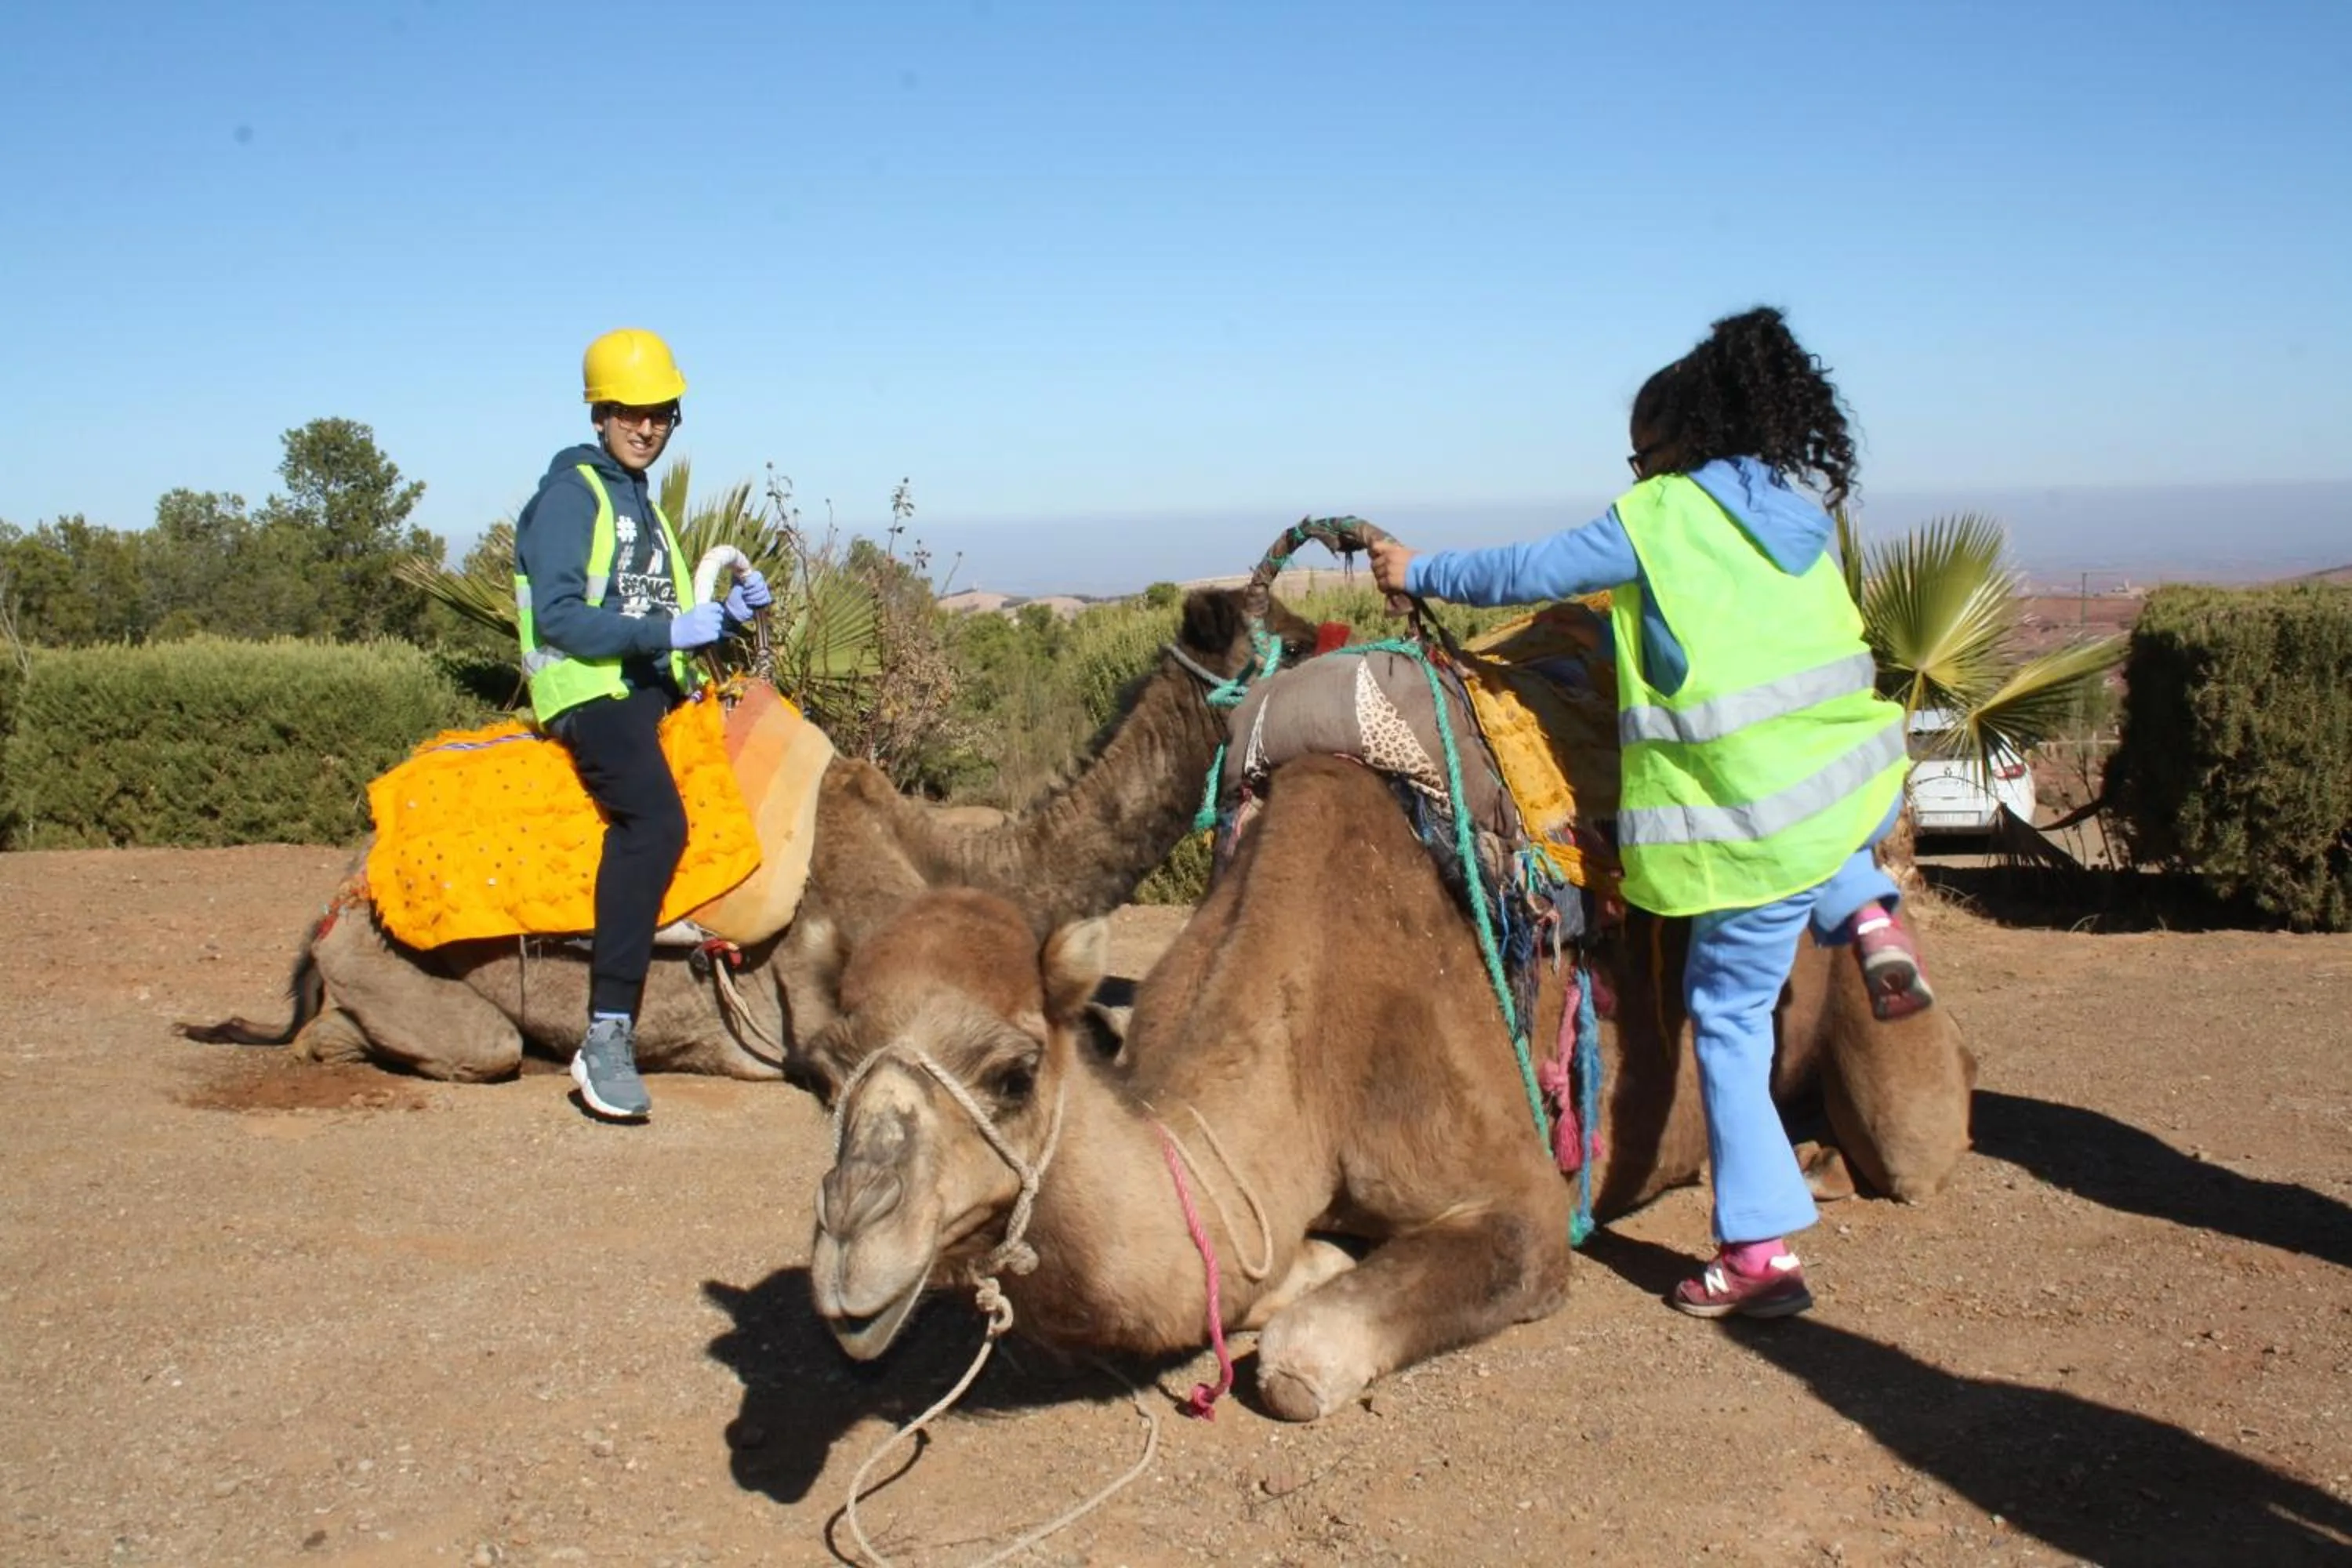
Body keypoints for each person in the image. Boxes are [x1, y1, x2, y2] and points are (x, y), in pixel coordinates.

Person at [1369, 305, 1933, 1319]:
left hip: (1754, 821)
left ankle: (1758, 1255)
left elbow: (1528, 575)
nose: (1634, 480)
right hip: (1849, 780)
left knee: (1725, 1021)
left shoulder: (1665, 519)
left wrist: (1419, 572)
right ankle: (1871, 916)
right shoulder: (1796, 502)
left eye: (1640, 458)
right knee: (1826, 839)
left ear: (1678, 447)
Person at [512, 328, 771, 1122]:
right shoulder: (571, 497)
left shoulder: (646, 509)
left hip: (647, 686)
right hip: (588, 695)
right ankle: (608, 1029)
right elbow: (560, 619)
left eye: (661, 412)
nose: (647, 426)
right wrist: (666, 636)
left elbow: (658, 621)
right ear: (600, 412)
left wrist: (719, 621)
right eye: (631, 410)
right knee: (653, 820)